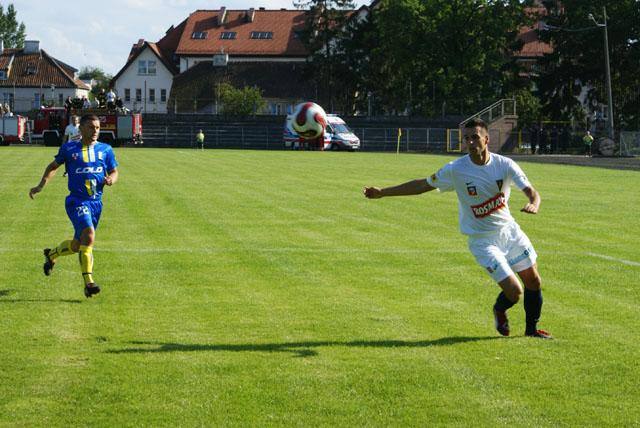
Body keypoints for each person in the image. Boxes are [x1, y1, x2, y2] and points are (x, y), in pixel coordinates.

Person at [364, 118, 552, 339]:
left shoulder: (505, 165)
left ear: (486, 139)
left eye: (475, 137)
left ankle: (531, 330)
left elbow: (531, 191)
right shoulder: (457, 169)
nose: (471, 142)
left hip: (510, 232)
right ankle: (499, 310)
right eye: (467, 138)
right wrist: (383, 192)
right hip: (483, 241)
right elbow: (422, 185)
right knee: (515, 291)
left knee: (534, 281)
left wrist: (534, 203)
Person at [29, 114, 119, 298]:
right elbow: (53, 167)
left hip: (96, 203)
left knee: (79, 244)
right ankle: (89, 283)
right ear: (81, 129)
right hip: (76, 201)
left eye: (97, 128)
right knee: (89, 234)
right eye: (91, 127)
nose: (95, 131)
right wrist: (40, 186)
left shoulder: (105, 150)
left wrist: (111, 179)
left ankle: (52, 254)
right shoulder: (69, 149)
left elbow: (114, 171)